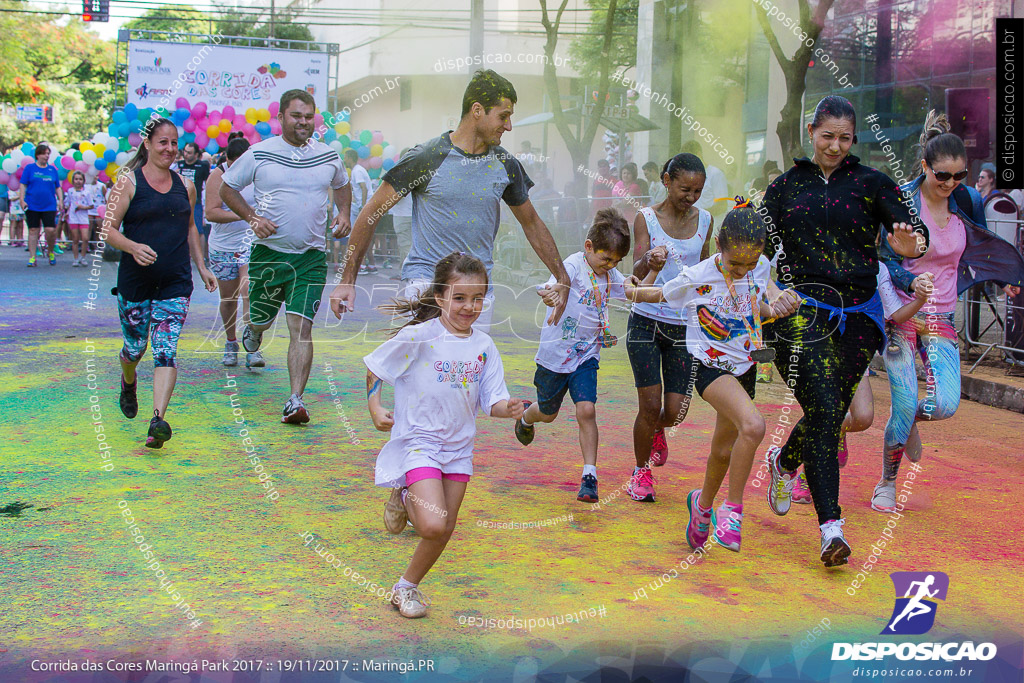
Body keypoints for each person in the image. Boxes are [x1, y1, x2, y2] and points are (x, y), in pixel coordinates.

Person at [761, 95, 928, 567]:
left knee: (827, 414)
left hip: (859, 316)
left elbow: (913, 233)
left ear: (855, 139)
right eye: (826, 135)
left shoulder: (873, 183)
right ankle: (831, 529)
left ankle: (784, 462)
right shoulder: (786, 187)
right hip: (799, 314)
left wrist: (910, 243)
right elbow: (750, 241)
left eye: (844, 138)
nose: (834, 145)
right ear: (811, 132)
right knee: (826, 410)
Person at [330, 69, 570, 330]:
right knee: (420, 369)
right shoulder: (426, 157)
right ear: (477, 110)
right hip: (427, 285)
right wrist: (347, 279)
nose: (509, 126)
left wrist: (562, 276)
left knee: (468, 371)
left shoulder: (505, 165)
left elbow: (532, 223)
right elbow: (371, 212)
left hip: (477, 292)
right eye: (503, 116)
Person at [872, 111, 1024, 513]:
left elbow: (977, 242)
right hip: (902, 316)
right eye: (942, 175)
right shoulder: (902, 200)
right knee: (903, 402)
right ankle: (887, 482)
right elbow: (883, 260)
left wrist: (1002, 275)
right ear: (924, 167)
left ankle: (907, 428)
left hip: (942, 318)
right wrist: (910, 284)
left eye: (959, 175)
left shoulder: (967, 200)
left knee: (944, 405)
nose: (950, 183)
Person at [365, 252, 525, 619]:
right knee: (431, 522)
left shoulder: (484, 346)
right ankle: (404, 490)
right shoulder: (419, 337)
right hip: (419, 443)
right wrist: (374, 408)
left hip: (458, 449)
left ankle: (405, 588)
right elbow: (375, 368)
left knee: (442, 529)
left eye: (477, 298)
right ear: (440, 298)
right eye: (459, 298)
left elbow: (493, 401)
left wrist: (509, 408)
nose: (469, 307)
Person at [640, 203, 801, 552]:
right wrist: (627, 286)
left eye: (751, 263)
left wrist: (777, 307)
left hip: (744, 367)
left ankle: (701, 505)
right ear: (718, 245)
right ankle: (733, 512)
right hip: (709, 369)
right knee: (754, 426)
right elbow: (656, 295)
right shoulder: (698, 275)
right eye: (735, 264)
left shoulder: (758, 267)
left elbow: (759, 302)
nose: (744, 270)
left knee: (723, 450)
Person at [514, 209, 665, 503]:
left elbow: (636, 293)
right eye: (606, 259)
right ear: (588, 247)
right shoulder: (570, 267)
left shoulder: (609, 275)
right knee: (548, 412)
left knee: (587, 410)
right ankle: (526, 416)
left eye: (616, 262)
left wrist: (662, 279)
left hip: (586, 357)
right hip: (555, 358)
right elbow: (551, 286)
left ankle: (589, 476)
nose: (610, 266)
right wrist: (550, 293)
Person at [221, 89, 351, 424]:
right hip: (268, 255)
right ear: (281, 118)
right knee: (261, 320)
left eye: (309, 116)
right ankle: (255, 329)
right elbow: (227, 189)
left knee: (301, 328)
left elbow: (342, 183)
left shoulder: (327, 155)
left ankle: (295, 400)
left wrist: (344, 213)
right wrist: (252, 218)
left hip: (310, 258)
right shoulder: (260, 153)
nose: (303, 122)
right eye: (296, 116)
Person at [99, 118, 217, 448]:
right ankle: (128, 380)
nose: (169, 149)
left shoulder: (186, 185)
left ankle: (157, 420)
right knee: (136, 348)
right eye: (162, 142)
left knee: (166, 351)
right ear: (148, 144)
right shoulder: (128, 182)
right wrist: (132, 247)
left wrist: (202, 267)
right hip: (135, 282)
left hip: (175, 282)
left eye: (173, 142)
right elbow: (107, 229)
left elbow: (191, 229)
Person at [789, 264, 935, 505]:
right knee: (826, 414)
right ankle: (805, 470)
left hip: (855, 351)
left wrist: (921, 299)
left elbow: (895, 314)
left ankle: (833, 434)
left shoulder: (877, 268)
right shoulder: (819, 254)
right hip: (819, 346)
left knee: (863, 417)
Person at [625, 153, 713, 502]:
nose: (690, 197)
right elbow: (635, 268)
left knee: (675, 411)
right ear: (666, 181)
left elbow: (707, 268)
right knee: (649, 405)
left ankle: (659, 430)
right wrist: (649, 260)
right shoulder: (646, 217)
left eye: (697, 191)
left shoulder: (705, 220)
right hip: (646, 320)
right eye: (684, 189)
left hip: (684, 326)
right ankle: (640, 472)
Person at [206, 137, 262, 369]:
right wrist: (245, 215)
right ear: (228, 161)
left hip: (249, 243)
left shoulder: (256, 173)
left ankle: (253, 347)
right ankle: (231, 343)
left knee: (249, 290)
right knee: (229, 300)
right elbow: (211, 213)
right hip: (223, 246)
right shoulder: (216, 177)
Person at [19, 144, 62, 266]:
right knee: (33, 230)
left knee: (50, 230)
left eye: (48, 153)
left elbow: (58, 187)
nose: (46, 156)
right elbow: (23, 184)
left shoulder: (52, 170)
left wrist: (61, 201)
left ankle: (51, 251)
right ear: (38, 155)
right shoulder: (29, 168)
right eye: (44, 153)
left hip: (49, 205)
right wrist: (22, 200)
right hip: (32, 204)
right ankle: (32, 257)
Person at [174, 142, 212, 261]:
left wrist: (207, 203)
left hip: (196, 202)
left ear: (196, 155)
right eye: (185, 152)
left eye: (189, 153)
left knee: (199, 230)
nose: (186, 155)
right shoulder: (179, 165)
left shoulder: (203, 166)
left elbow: (209, 183)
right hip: (179, 201)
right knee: (179, 230)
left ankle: (200, 257)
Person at [341, 148, 373, 274]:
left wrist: (363, 207)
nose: (344, 160)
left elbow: (363, 188)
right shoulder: (356, 170)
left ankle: (362, 265)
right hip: (360, 207)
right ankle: (365, 264)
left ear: (350, 158)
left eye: (346, 157)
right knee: (358, 235)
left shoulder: (357, 171)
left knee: (357, 235)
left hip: (362, 208)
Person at [683, 141, 728, 222]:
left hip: (712, 229)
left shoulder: (715, 174)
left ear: (698, 154)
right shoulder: (690, 177)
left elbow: (722, 206)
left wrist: (698, 215)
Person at [63, 171, 94, 266]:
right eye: (76, 179)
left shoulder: (87, 192)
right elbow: (67, 203)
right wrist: (66, 210)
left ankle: (83, 257)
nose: (78, 181)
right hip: (73, 217)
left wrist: (83, 207)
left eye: (80, 179)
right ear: (73, 181)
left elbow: (91, 205)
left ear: (83, 181)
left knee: (85, 238)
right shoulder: (70, 191)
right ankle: (76, 259)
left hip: (83, 218)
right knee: (75, 239)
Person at [86, 174, 106, 255]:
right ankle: (87, 244)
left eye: (96, 175)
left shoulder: (102, 186)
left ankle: (100, 244)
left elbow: (106, 197)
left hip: (99, 210)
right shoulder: (86, 185)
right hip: (89, 210)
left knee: (99, 228)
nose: (94, 177)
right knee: (89, 228)